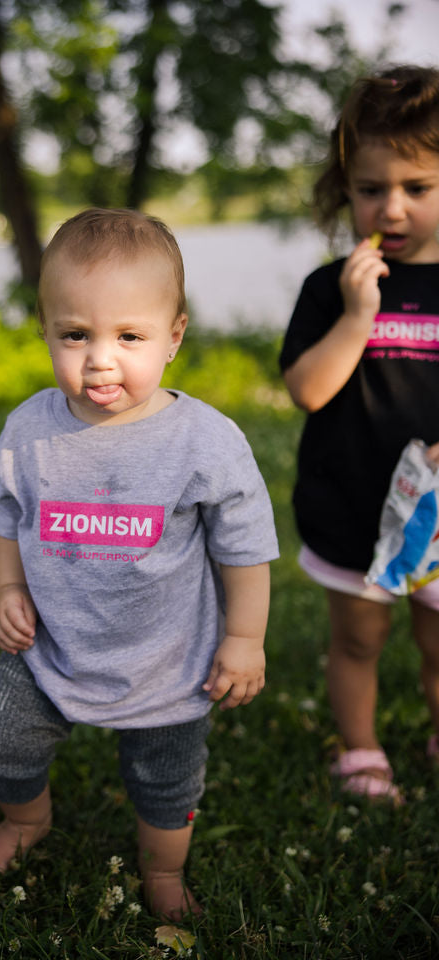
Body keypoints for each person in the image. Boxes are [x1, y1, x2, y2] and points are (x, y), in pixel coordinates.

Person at [0, 207, 279, 919]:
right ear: (45, 329)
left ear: (173, 337)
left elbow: (245, 548)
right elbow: (10, 516)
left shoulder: (204, 440)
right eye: (75, 334)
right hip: (53, 647)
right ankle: (27, 819)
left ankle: (163, 875)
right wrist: (9, 585)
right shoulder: (29, 430)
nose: (100, 359)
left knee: (166, 781)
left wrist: (243, 639)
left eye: (129, 336)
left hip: (170, 661)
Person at [279, 65, 439, 806]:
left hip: (437, 520)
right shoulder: (331, 287)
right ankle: (362, 749)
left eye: (418, 188)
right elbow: (309, 390)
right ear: (345, 189)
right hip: (351, 507)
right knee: (358, 640)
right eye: (372, 188)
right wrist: (355, 316)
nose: (393, 208)